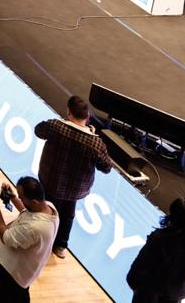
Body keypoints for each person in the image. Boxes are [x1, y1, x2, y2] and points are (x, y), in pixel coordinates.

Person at [32, 95, 112, 257]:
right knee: (68, 215)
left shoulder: (56, 127)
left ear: (69, 113)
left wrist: (62, 123)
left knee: (44, 212)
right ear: (88, 117)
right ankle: (60, 246)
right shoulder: (95, 143)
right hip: (74, 189)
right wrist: (92, 135)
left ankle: (40, 242)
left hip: (50, 180)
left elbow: (38, 130)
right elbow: (106, 167)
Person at [0, 175, 57, 303]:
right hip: (23, 273)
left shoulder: (34, 228)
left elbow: (5, 237)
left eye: (21, 197)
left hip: (13, 274)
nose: (20, 199)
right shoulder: (49, 208)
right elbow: (25, 210)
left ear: (34, 201)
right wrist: (12, 197)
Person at [126, 194, 185, 303]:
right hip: (174, 296)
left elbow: (137, 269)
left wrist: (136, 285)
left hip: (149, 295)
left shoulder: (159, 239)